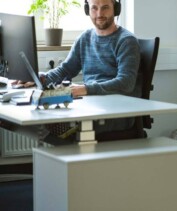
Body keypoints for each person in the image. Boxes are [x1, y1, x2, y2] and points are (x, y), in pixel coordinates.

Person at [6, 0, 141, 142]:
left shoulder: (126, 41)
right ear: (87, 9)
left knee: (52, 125)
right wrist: (40, 78)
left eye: (105, 7)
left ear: (116, 9)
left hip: (117, 112)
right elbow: (65, 70)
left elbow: (127, 82)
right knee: (34, 120)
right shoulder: (85, 38)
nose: (99, 14)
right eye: (94, 8)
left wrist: (86, 89)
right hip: (92, 106)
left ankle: (76, 159)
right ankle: (66, 158)